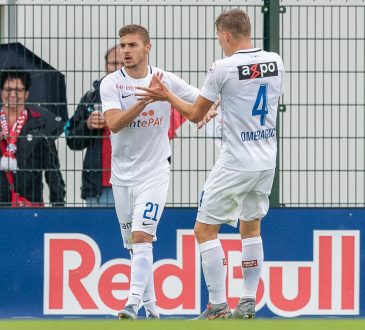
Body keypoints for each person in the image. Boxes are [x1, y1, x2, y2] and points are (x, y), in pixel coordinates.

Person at [137, 9, 285, 320]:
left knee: (204, 229)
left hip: (235, 161)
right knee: (251, 226)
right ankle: (247, 302)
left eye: (219, 37)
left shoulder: (222, 67)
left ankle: (217, 305)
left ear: (226, 35)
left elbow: (193, 114)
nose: (220, 42)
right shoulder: (275, 61)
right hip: (266, 160)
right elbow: (250, 101)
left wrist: (166, 95)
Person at [99, 24, 199, 320]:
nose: (125, 51)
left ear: (147, 47)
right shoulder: (111, 84)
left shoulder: (163, 80)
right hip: (121, 177)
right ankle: (153, 309)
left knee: (142, 236)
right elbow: (114, 123)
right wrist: (146, 100)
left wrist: (210, 110)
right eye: (123, 46)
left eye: (132, 45)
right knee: (133, 244)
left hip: (155, 173)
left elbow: (198, 99)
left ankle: (131, 303)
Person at [65, 45, 124, 206]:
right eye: (113, 63)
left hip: (130, 186)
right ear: (106, 67)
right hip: (98, 188)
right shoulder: (91, 98)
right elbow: (71, 139)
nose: (117, 68)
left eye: (122, 63)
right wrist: (87, 125)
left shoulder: (138, 96)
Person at [0, 67, 66, 206]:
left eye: (18, 90)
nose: (12, 94)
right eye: (8, 89)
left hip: (30, 205)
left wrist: (58, 206)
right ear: (1, 92)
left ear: (26, 94)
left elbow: (52, 170)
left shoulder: (39, 123)